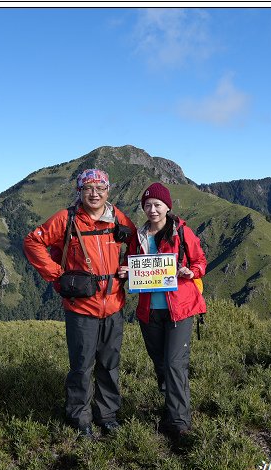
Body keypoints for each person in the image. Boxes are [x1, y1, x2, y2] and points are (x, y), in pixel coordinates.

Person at [23, 169, 137, 439]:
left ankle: (107, 414)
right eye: (88, 189)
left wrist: (128, 267)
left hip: (114, 304)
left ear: (108, 191)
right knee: (82, 365)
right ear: (80, 191)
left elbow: (136, 242)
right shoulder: (66, 219)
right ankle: (79, 417)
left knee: (109, 364)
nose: (94, 193)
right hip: (81, 307)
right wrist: (57, 275)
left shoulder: (117, 217)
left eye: (100, 188)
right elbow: (32, 241)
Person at [127, 182, 207, 441]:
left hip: (179, 309)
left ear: (167, 207)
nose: (152, 210)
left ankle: (179, 422)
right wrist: (126, 271)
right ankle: (171, 406)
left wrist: (191, 272)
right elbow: (130, 264)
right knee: (161, 363)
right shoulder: (138, 237)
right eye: (148, 205)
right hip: (149, 311)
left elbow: (200, 261)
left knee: (174, 364)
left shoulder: (182, 233)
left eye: (157, 205)